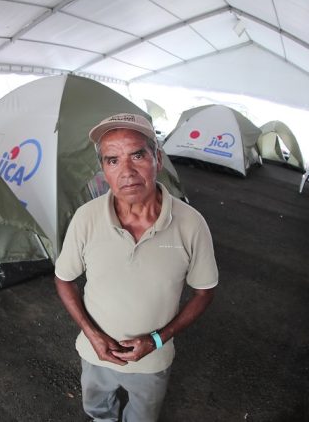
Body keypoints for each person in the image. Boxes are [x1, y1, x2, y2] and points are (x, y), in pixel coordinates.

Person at [54, 113, 219, 421]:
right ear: (103, 170)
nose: (127, 172)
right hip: (94, 352)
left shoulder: (191, 224)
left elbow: (204, 291)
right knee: (98, 411)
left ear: (158, 159)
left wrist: (157, 339)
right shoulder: (86, 218)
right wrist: (91, 334)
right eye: (113, 160)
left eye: (138, 155)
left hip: (153, 360)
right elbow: (64, 279)